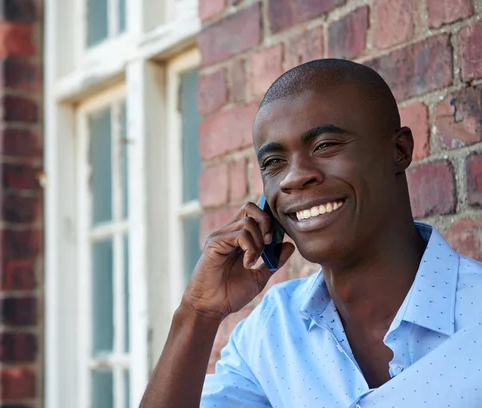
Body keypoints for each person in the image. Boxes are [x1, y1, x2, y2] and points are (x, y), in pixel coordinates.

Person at [139, 59, 482, 407]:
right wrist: (197, 314)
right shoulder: (272, 332)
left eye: (325, 145)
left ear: (399, 150)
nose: (293, 177)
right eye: (274, 163)